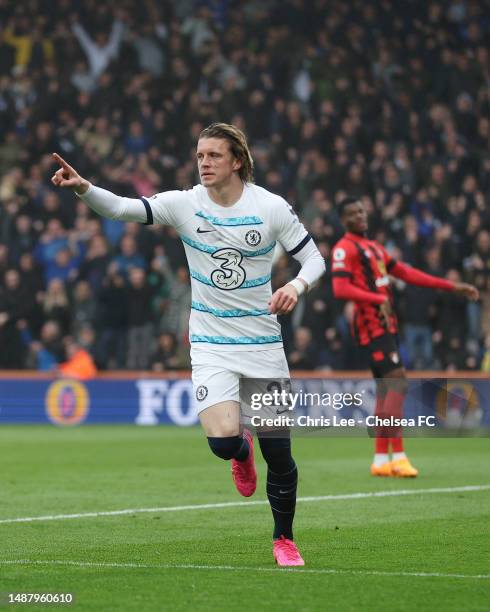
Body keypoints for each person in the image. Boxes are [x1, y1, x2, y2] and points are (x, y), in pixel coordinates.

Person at [51, 122, 326, 566]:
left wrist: (296, 285)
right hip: (211, 343)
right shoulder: (184, 204)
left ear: (237, 160)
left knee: (280, 450)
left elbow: (314, 258)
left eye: (214, 156)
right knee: (222, 442)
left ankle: (284, 539)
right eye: (200, 156)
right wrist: (84, 187)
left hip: (262, 346)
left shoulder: (270, 208)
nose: (204, 163)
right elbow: (123, 209)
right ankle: (241, 451)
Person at [331, 197, 479, 477]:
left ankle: (379, 460)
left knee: (386, 387)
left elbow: (408, 273)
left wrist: (450, 286)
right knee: (398, 381)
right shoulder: (344, 248)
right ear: (343, 221)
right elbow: (340, 289)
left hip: (387, 325)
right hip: (371, 326)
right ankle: (398, 456)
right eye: (352, 214)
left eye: (362, 210)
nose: (360, 216)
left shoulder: (374, 248)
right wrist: (376, 298)